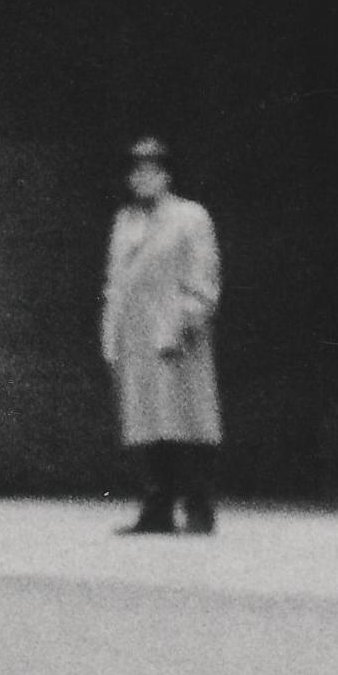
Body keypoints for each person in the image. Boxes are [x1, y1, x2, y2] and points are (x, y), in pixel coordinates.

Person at [102, 136, 224, 534]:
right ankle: (156, 508)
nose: (143, 178)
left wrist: (187, 320)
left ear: (166, 175)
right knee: (146, 426)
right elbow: (115, 282)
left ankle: (199, 508)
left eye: (151, 170)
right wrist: (111, 331)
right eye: (136, 171)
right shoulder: (125, 220)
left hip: (176, 334)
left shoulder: (191, 217)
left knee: (187, 423)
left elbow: (204, 277)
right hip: (137, 336)